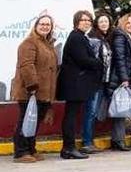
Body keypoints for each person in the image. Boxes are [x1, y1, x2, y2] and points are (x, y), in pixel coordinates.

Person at [11, 15, 58, 163]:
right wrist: (32, 87)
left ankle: (31, 149)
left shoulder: (47, 44)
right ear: (36, 26)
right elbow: (27, 66)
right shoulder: (29, 43)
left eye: (48, 25)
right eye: (42, 24)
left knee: (34, 122)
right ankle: (20, 152)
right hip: (30, 91)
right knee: (25, 120)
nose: (45, 26)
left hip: (43, 92)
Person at [57, 10, 103, 159]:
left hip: (76, 83)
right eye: (84, 20)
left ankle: (68, 148)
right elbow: (83, 60)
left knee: (72, 115)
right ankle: (69, 148)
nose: (87, 22)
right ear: (77, 21)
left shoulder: (80, 36)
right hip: (74, 84)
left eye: (89, 20)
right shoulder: (77, 37)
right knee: (71, 116)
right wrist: (99, 62)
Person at [80, 11, 114, 154]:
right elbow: (91, 60)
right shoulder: (93, 38)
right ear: (96, 24)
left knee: (95, 111)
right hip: (94, 82)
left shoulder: (106, 39)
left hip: (103, 81)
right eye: (101, 22)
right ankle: (87, 142)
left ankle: (89, 140)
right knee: (91, 111)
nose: (104, 24)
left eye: (106, 21)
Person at [108, 14, 131, 151]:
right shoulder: (121, 37)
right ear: (123, 24)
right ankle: (118, 140)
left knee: (122, 109)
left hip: (128, 78)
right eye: (128, 23)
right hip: (121, 79)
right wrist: (125, 78)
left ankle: (118, 139)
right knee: (120, 109)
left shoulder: (130, 37)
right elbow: (120, 59)